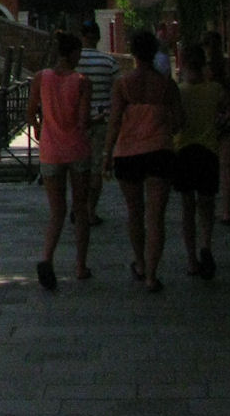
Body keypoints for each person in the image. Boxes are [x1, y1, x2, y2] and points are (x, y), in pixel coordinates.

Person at [106, 29, 182, 292]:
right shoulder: (167, 86)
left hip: (127, 153)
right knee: (156, 217)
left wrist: (106, 154)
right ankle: (151, 275)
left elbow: (114, 122)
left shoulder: (123, 85)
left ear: (134, 53)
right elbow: (179, 121)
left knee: (135, 213)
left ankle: (139, 263)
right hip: (160, 152)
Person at [25, 30, 93, 290]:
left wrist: (38, 129)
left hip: (50, 151)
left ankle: (47, 257)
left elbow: (30, 113)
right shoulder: (82, 81)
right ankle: (80, 266)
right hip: (77, 149)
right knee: (81, 208)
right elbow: (84, 121)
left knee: (57, 211)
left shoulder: (41, 78)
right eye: (79, 53)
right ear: (73, 53)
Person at [174, 44, 223, 279]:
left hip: (183, 151)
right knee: (207, 204)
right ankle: (207, 245)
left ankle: (191, 260)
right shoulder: (215, 89)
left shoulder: (179, 92)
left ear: (182, 64)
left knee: (187, 208)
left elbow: (175, 124)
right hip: (208, 151)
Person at [75, 21, 119, 224]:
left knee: (78, 168)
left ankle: (78, 208)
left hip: (78, 122)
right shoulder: (109, 62)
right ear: (98, 37)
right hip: (101, 121)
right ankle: (90, 211)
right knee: (96, 169)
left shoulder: (74, 62)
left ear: (82, 36)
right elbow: (117, 93)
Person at [204, 29, 230, 225]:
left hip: (212, 120)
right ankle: (226, 212)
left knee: (210, 166)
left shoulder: (205, 70)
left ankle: (210, 207)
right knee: (226, 167)